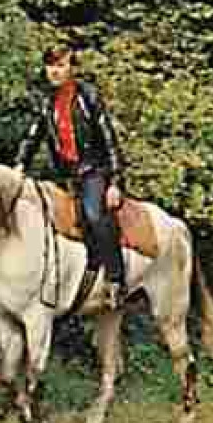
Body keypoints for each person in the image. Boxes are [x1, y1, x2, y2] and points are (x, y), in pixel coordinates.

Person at [14, 47, 128, 309]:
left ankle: (115, 279)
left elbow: (109, 140)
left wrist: (115, 181)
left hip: (94, 170)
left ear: (71, 68)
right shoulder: (45, 102)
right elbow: (32, 137)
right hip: (66, 176)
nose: (54, 71)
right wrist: (20, 165)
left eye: (60, 65)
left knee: (93, 214)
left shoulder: (88, 97)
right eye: (50, 66)